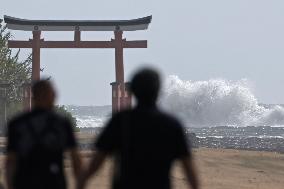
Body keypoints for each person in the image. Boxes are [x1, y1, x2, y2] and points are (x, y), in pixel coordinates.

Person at [78, 68, 199, 189]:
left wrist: (81, 182)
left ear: (132, 91)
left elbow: (97, 161)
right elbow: (188, 168)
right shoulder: (171, 124)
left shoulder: (120, 121)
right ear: (158, 92)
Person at [5, 80, 81, 189]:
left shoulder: (16, 123)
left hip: (24, 182)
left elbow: (10, 162)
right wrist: (81, 184)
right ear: (51, 96)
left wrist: (10, 185)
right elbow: (75, 159)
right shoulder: (61, 123)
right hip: (54, 183)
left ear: (33, 96)